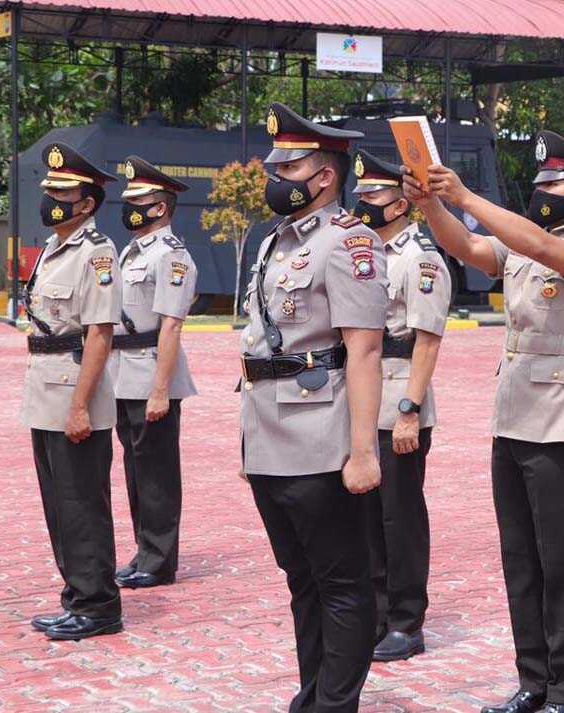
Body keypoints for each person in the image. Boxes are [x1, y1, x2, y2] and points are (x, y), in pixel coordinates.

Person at [403, 131, 564, 713]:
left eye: (555, 184)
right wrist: (430, 204)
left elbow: (543, 250)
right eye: (539, 184)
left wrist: (468, 197)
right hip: (514, 415)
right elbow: (471, 250)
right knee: (521, 560)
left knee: (563, 564)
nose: (542, 192)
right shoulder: (524, 242)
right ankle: (534, 682)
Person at [240, 102, 388, 713]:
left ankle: (335, 704)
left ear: (324, 175)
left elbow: (365, 349)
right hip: (270, 434)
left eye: (289, 165)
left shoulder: (348, 242)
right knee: (302, 582)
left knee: (343, 585)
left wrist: (362, 451)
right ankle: (313, 696)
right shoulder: (274, 240)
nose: (276, 176)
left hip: (321, 437)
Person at [350, 150, 452, 662]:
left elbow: (428, 340)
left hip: (398, 400)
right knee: (364, 512)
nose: (363, 201)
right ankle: (376, 610)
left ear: (400, 203)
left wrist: (410, 408)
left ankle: (407, 620)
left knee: (399, 515)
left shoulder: (421, 259)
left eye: (374, 194)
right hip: (361, 401)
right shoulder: (362, 254)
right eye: (361, 193)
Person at [21, 142, 124, 640]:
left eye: (63, 192)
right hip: (45, 390)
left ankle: (99, 605)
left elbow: (100, 333)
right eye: (50, 191)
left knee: (82, 504)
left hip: (73, 393)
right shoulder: (53, 246)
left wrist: (81, 405)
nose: (52, 200)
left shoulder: (97, 253)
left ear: (87, 203)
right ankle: (76, 597)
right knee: (59, 505)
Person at [109, 155, 198, 589]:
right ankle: (144, 550)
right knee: (135, 469)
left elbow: (171, 325)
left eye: (138, 200)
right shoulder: (132, 251)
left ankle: (160, 560)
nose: (129, 207)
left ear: (160, 207)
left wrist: (160, 390)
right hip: (124, 372)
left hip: (151, 374)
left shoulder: (171, 257)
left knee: (157, 472)